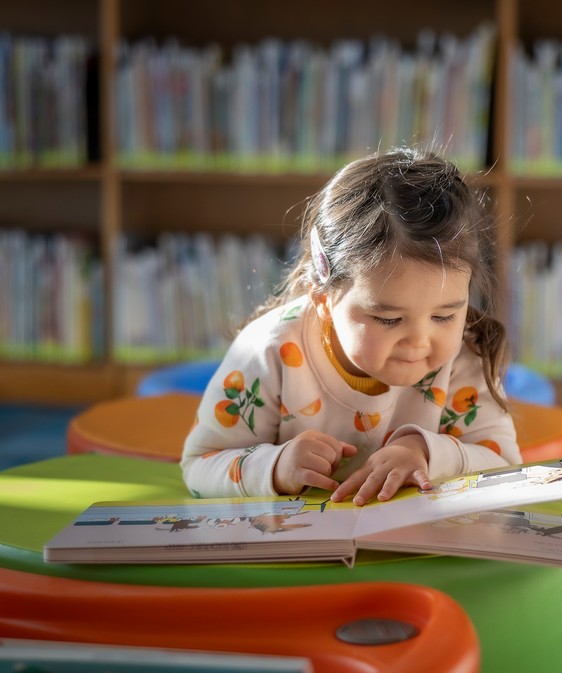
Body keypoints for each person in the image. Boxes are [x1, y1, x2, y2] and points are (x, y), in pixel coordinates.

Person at [181, 148, 521, 505]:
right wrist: (276, 467)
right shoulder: (267, 352)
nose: (420, 342)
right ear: (323, 298)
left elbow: (507, 468)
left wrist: (426, 452)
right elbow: (200, 465)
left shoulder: (466, 353)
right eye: (388, 319)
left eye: (444, 316)